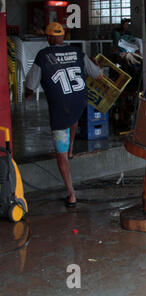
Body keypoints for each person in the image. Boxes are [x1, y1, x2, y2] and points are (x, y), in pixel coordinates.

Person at [25, 22, 103, 207]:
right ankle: (71, 150)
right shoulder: (77, 52)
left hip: (60, 107)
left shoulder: (43, 55)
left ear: (49, 38)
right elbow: (98, 75)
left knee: (60, 154)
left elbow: (30, 86)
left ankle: (71, 193)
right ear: (64, 37)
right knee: (73, 120)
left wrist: (27, 95)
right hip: (79, 103)